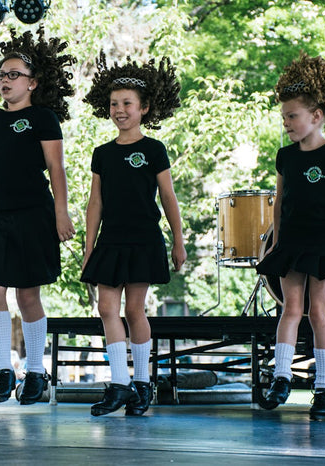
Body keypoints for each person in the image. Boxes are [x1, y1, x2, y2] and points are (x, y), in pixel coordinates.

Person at [0, 27, 76, 404]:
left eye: (14, 75)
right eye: (2, 75)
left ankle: (36, 374)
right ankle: (3, 370)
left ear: (32, 82)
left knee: (28, 295)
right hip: (0, 216)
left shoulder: (43, 118)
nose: (5, 81)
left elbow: (56, 169)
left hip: (36, 215)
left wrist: (62, 214)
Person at [256, 52, 325, 420]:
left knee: (319, 311)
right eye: (284, 117)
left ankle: (323, 388)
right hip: (292, 242)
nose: (286, 123)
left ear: (315, 117)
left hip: (323, 243)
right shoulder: (285, 156)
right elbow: (279, 203)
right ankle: (282, 377)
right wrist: (275, 244)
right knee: (291, 308)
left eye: (292, 116)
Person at [81, 52, 186, 416]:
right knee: (106, 307)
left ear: (144, 109)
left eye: (127, 103)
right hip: (110, 240)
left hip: (143, 239)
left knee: (134, 308)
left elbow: (169, 198)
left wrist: (179, 240)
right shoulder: (102, 153)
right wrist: (88, 245)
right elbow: (95, 203)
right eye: (114, 104)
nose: (119, 109)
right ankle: (120, 385)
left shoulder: (153, 149)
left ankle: (142, 383)